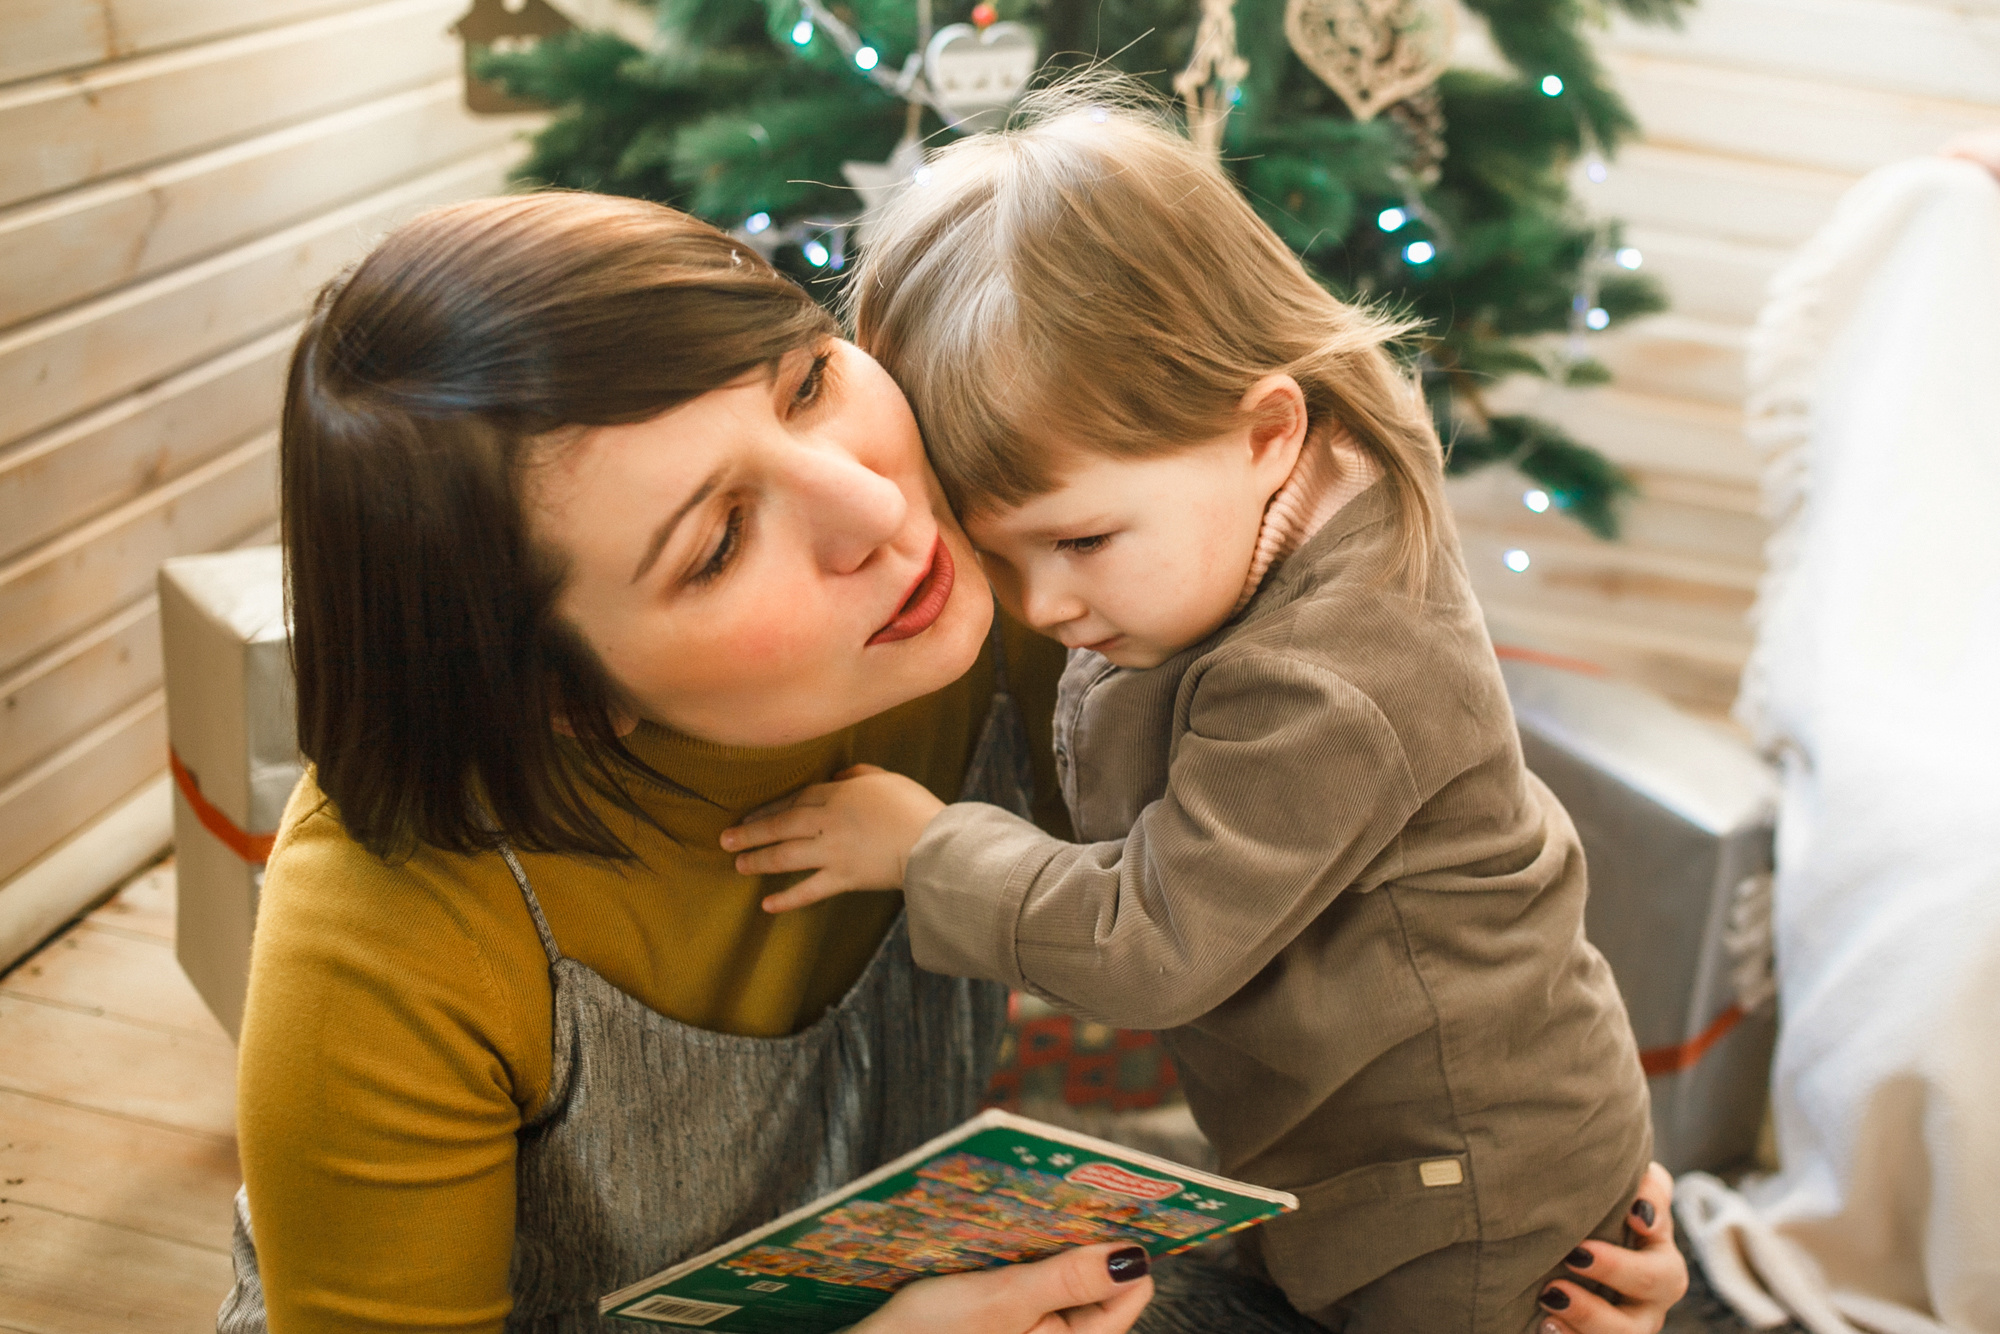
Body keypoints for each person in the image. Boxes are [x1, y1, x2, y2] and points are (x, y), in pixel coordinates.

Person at [226, 188, 1686, 1333]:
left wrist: (1538, 1204)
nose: (879, 506)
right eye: (719, 541)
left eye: (807, 382)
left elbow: (1401, 855)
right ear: (564, 699)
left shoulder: (1013, 597)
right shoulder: (385, 935)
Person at [721, 98, 1656, 1333]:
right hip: (1372, 1144)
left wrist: (923, 847)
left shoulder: (1328, 676)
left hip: (1465, 1188)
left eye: (1079, 542)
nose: (1042, 606)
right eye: (994, 549)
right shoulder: (1240, 490)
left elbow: (1154, 940)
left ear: (1267, 430)